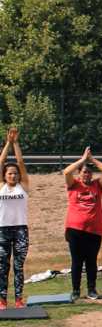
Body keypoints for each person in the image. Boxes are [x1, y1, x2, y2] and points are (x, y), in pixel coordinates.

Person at [62, 146, 102, 300]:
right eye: (84, 172)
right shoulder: (74, 185)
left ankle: (92, 290)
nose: (87, 174)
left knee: (91, 261)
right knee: (77, 261)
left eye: (89, 172)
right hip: (75, 229)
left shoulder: (97, 185)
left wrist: (92, 160)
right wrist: (83, 160)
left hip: (94, 229)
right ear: (79, 174)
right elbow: (66, 172)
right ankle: (76, 290)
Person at [0, 128, 29, 309]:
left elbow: (20, 162)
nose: (13, 175)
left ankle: (18, 299)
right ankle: (2, 300)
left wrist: (16, 143)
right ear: (4, 175)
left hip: (20, 230)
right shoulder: (1, 186)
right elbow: (1, 161)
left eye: (15, 173)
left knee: (19, 267)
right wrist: (8, 143)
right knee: (2, 268)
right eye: (9, 173)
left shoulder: (23, 186)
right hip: (2, 230)